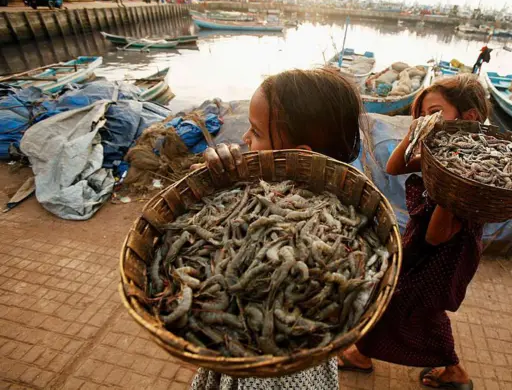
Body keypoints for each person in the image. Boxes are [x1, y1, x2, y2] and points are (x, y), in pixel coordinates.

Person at [189, 67, 364, 390]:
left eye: (255, 132)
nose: (243, 139)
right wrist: (214, 177)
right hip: (234, 357)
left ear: (297, 158)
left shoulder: (342, 221)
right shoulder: (258, 186)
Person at [338, 74, 491, 390]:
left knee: (420, 306)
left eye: (434, 111)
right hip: (424, 242)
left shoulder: (468, 166)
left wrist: (450, 179)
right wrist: (414, 133)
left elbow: (438, 235)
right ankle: (362, 354)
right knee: (395, 295)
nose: (425, 119)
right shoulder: (438, 154)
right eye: (420, 113)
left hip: (445, 251)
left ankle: (454, 372)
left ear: (470, 117)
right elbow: (395, 167)